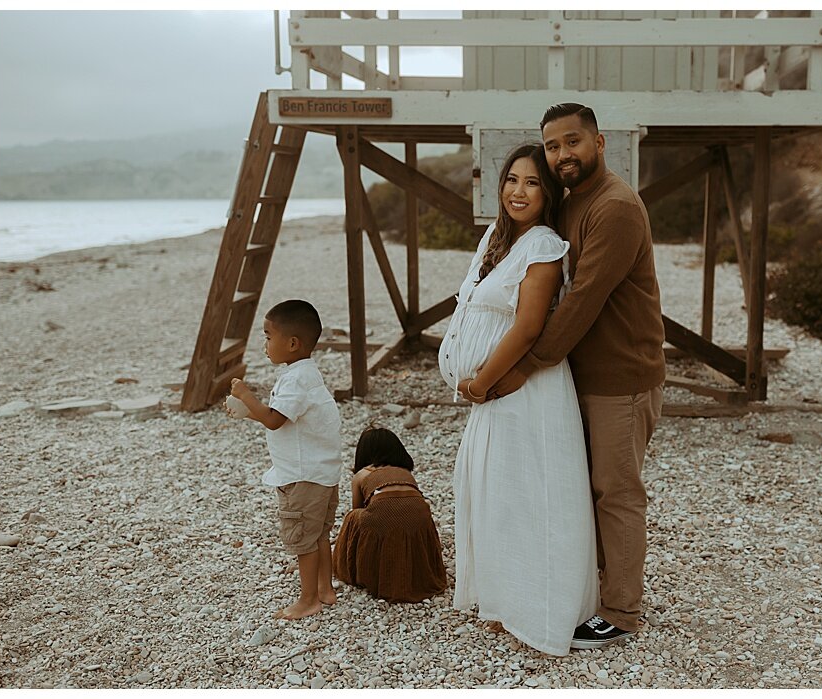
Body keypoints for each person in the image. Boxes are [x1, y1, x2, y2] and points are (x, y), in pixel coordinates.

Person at [486, 104, 667, 650]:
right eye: (553, 146)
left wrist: (524, 364)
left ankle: (621, 611)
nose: (562, 154)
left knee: (615, 493)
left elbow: (583, 300)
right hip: (580, 373)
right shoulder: (569, 204)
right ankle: (590, 590)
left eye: (572, 142)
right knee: (581, 490)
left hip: (621, 375)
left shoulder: (614, 207)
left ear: (599, 142)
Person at [438, 143, 598, 656]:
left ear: (548, 193)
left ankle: (541, 608)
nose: (518, 191)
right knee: (497, 493)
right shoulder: (497, 238)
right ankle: (504, 599)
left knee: (533, 497)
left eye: (532, 182)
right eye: (511, 179)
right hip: (493, 393)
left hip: (525, 391)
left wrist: (482, 379)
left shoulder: (545, 246)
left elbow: (529, 326)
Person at [228, 300, 343, 620]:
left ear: (292, 343)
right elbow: (278, 417)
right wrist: (248, 412)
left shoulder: (294, 380)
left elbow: (276, 421)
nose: (264, 344)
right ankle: (325, 589)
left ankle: (308, 600)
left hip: (302, 475)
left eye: (267, 336)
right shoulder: (306, 374)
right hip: (321, 472)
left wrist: (245, 395)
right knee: (319, 533)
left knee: (303, 539)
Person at [331, 426, 446, 603]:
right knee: (404, 520)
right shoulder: (405, 472)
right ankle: (414, 571)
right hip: (419, 514)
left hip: (381, 513)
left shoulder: (362, 475)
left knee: (352, 518)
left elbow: (357, 510)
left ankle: (362, 570)